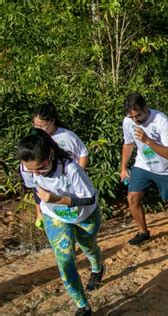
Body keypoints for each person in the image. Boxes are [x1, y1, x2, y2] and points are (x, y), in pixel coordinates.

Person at [18, 129, 103, 316]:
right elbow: (34, 189)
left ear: (50, 155)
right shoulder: (27, 168)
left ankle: (97, 268)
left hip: (84, 215)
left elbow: (89, 198)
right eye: (31, 170)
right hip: (54, 216)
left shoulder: (70, 169)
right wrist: (39, 211)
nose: (36, 173)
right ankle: (83, 305)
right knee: (64, 259)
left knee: (88, 247)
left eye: (40, 168)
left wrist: (56, 199)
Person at [120, 93, 168, 245]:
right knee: (132, 197)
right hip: (143, 164)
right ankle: (143, 231)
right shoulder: (128, 121)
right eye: (132, 117)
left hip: (167, 167)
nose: (135, 120)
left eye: (138, 116)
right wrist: (123, 167)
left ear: (145, 108)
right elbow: (129, 143)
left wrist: (147, 140)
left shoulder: (160, 120)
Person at [27, 102, 89, 231]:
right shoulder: (35, 140)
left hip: (69, 186)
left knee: (73, 213)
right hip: (48, 184)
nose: (38, 129)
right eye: (35, 125)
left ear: (52, 121)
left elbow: (83, 153)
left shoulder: (66, 136)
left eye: (42, 126)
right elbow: (35, 186)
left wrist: (79, 173)